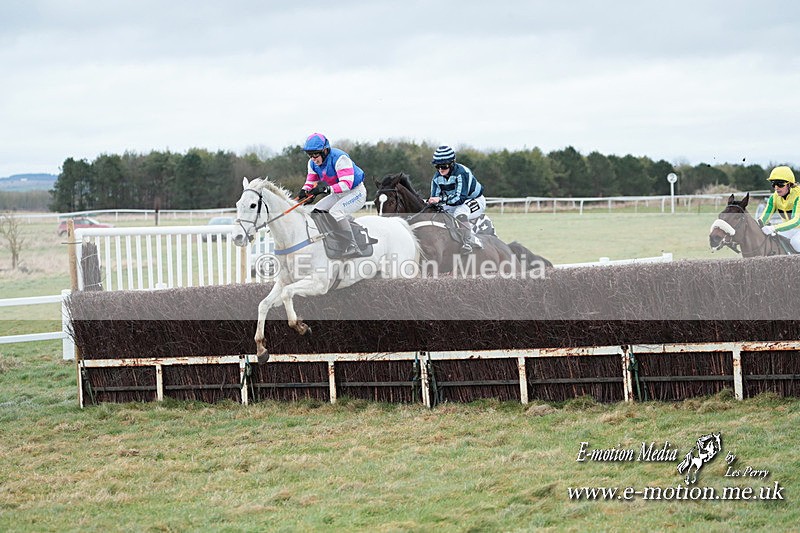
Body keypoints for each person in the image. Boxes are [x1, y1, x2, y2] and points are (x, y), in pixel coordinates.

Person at [298, 133, 367, 257]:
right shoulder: (312, 163)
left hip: (355, 192)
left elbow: (346, 184)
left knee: (336, 212)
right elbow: (311, 181)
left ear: (325, 151)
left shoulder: (340, 158)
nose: (313, 159)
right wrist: (305, 191)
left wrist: (324, 189)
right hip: (338, 193)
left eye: (315, 154)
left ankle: (352, 245)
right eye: (310, 155)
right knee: (316, 211)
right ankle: (330, 238)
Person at [426, 145, 486, 253]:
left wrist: (439, 200)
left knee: (460, 212)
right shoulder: (436, 178)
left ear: (452, 163)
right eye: (437, 166)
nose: (440, 169)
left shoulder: (462, 173)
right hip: (455, 201)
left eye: (443, 166)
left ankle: (468, 241)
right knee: (439, 213)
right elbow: (435, 199)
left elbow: (459, 199)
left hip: (474, 199)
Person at [759, 165, 800, 252]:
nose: (776, 188)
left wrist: (774, 228)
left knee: (796, 242)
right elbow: (764, 217)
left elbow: (796, 221)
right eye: (773, 184)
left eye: (780, 184)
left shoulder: (798, 195)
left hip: (796, 227)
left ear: (789, 184)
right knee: (775, 241)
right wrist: (757, 226)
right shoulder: (773, 198)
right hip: (789, 229)